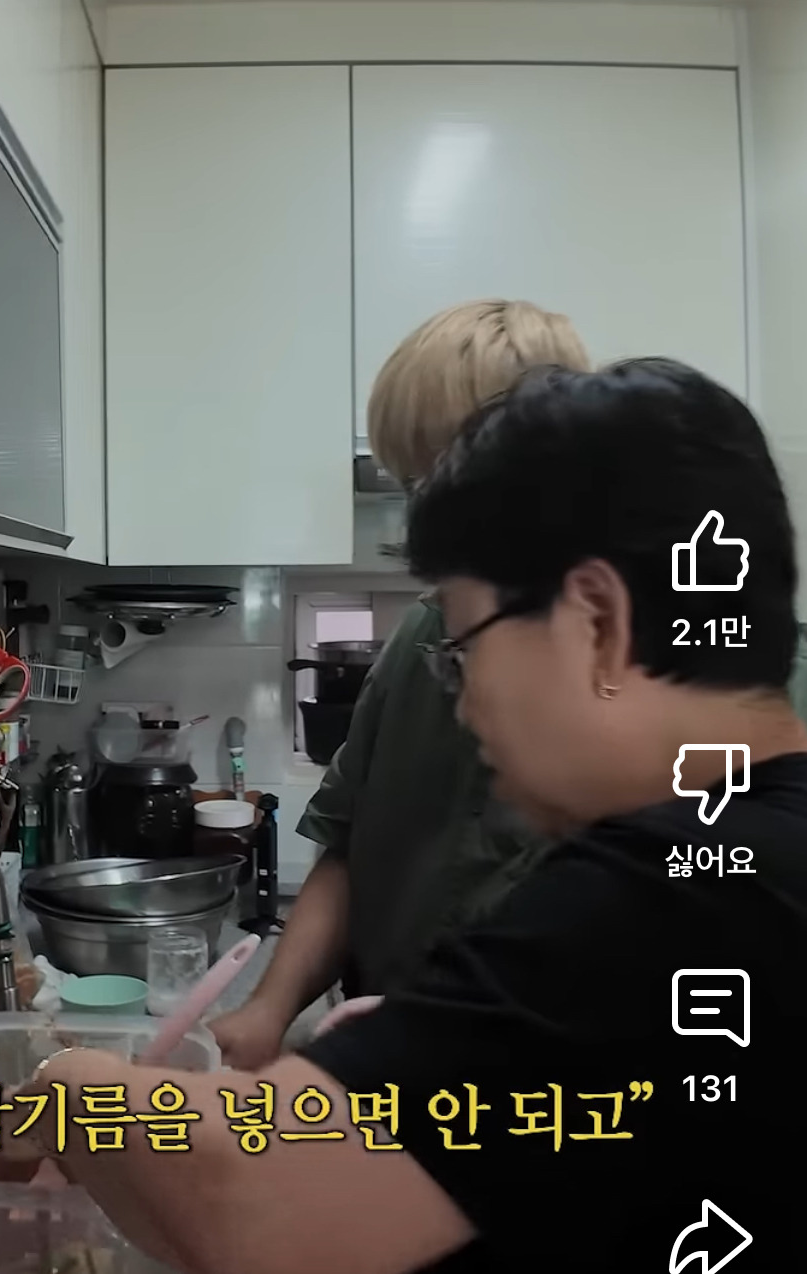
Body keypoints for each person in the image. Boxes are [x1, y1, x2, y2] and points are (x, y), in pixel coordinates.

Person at [18, 360, 807, 1272]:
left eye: (463, 650)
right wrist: (436, 1044)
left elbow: (254, 1206)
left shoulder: (671, 891)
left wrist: (59, 1087)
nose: (463, 704)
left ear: (596, 623)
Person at [213, 300, 592, 1068]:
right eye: (417, 482)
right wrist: (266, 1012)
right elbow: (348, 849)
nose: (430, 511)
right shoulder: (421, 634)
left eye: (452, 477)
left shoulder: (687, 675)